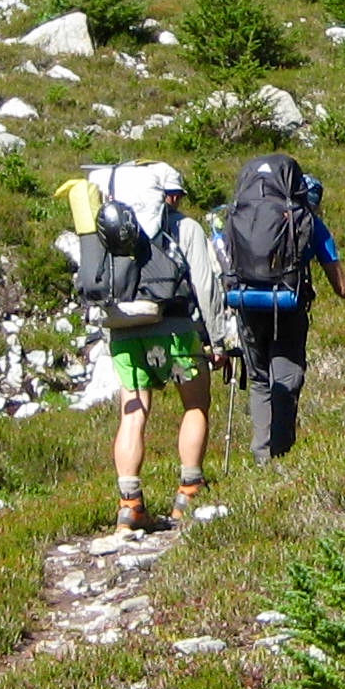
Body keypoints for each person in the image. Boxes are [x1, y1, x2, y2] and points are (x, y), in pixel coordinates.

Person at [66, 161, 231, 532]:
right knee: (195, 404)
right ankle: (188, 492)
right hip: (173, 330)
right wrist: (217, 339)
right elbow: (205, 285)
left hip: (123, 330)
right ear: (167, 195)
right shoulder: (182, 227)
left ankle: (130, 505)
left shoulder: (109, 229)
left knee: (133, 413)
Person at [217, 150, 345, 459]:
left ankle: (260, 453)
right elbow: (342, 287)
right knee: (287, 374)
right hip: (288, 306)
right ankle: (280, 452)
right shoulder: (310, 222)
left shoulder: (237, 216)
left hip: (244, 304)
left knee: (257, 377)